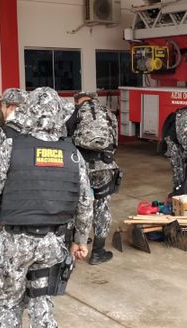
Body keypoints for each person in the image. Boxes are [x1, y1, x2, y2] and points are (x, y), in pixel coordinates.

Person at [0, 88, 93, 327]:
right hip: (53, 242)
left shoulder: (12, 147)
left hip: (16, 242)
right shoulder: (72, 154)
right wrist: (80, 240)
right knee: (41, 298)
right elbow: (85, 201)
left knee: (6, 302)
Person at [69, 92, 120, 265]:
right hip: (103, 167)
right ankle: (98, 252)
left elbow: (65, 140)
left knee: (77, 204)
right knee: (101, 206)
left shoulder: (73, 113)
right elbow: (115, 142)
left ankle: (77, 242)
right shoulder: (108, 113)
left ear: (77, 101)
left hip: (78, 166)